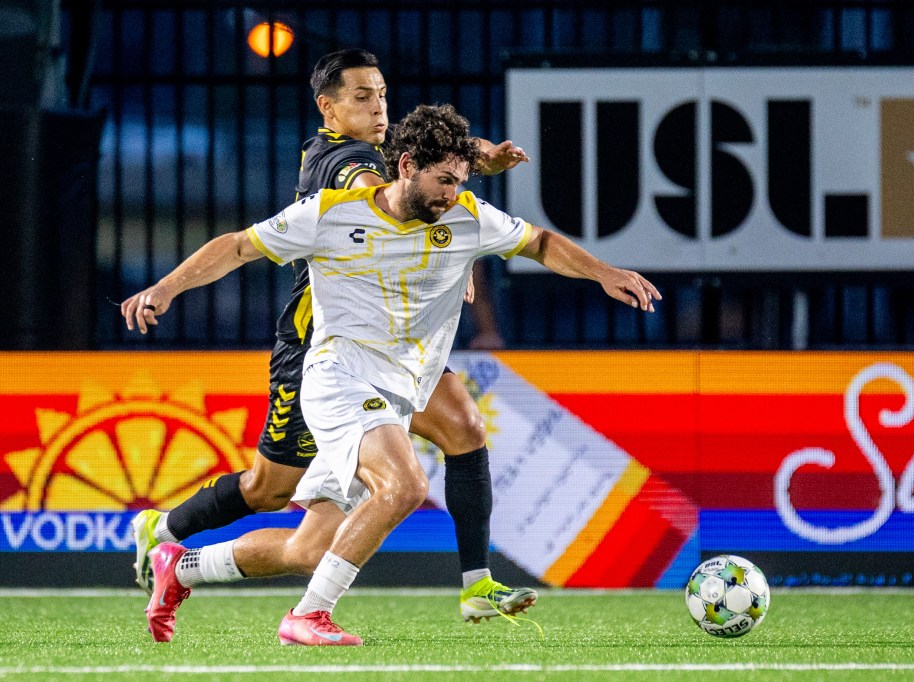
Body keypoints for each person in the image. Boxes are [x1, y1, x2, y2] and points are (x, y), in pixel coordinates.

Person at [122, 103, 660, 645]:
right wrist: (165, 288)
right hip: (339, 380)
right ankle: (308, 616)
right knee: (403, 485)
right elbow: (238, 246)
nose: (452, 193)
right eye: (443, 180)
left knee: (309, 549)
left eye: (460, 180)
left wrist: (603, 273)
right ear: (405, 166)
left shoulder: (466, 217)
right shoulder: (331, 214)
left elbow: (539, 242)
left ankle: (180, 567)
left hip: (399, 396)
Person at [127, 49, 534, 624]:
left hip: (390, 346)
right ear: (329, 108)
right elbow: (389, 193)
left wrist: (472, 160)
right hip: (324, 349)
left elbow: (425, 164)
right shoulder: (341, 162)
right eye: (362, 97)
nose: (378, 107)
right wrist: (450, 228)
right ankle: (166, 530)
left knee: (463, 428)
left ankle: (476, 585)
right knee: (271, 489)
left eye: (383, 94)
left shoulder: (381, 151)